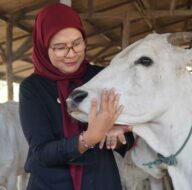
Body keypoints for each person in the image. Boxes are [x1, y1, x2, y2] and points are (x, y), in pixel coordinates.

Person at [19, 3, 134, 190]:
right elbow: (41, 153)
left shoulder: (101, 77)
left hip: (100, 180)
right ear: (43, 46)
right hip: (51, 184)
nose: (71, 54)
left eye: (77, 43)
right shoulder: (33, 88)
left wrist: (119, 136)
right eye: (60, 47)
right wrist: (88, 138)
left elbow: (128, 137)